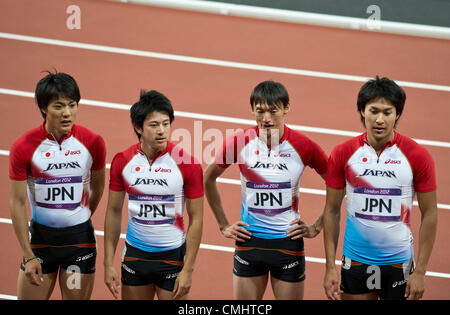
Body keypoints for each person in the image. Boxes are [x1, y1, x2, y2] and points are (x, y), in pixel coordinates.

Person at [204, 80, 328, 300]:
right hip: (249, 242)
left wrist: (316, 227)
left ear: (286, 108)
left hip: (288, 244)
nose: (266, 118)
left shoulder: (303, 146)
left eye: (273, 110)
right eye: (260, 111)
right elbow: (208, 178)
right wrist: (223, 224)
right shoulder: (240, 142)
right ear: (252, 110)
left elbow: (338, 186)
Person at [323, 76, 438, 300]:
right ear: (362, 112)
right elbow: (331, 210)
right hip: (356, 260)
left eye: (387, 112)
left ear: (397, 115)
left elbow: (430, 213)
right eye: (373, 111)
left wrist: (421, 270)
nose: (380, 119)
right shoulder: (343, 153)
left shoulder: (417, 156)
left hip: (399, 263)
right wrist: (329, 266)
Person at [9, 71, 106, 300]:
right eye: (59, 106)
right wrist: (28, 254)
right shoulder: (24, 147)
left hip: (79, 244)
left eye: (72, 105)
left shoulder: (93, 142)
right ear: (44, 108)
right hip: (41, 244)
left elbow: (98, 187)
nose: (67, 113)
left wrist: (80, 215)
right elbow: (16, 202)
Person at [103, 89, 203, 300]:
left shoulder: (188, 163)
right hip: (135, 256)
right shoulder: (122, 161)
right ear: (138, 127)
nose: (162, 131)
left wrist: (188, 270)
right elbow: (113, 212)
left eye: (166, 124)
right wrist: (108, 263)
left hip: (172, 258)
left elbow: (197, 218)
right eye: (154, 125)